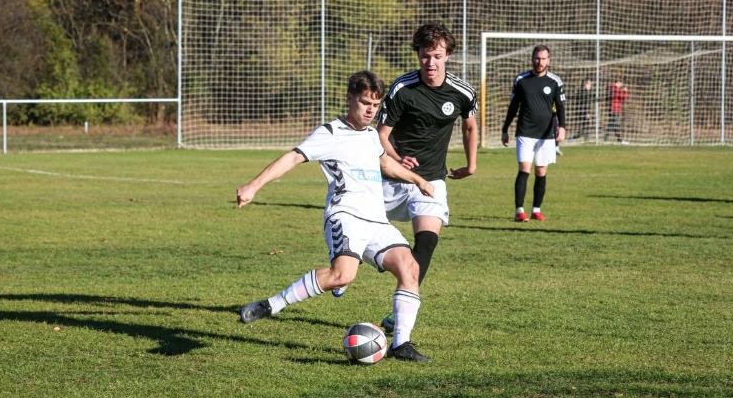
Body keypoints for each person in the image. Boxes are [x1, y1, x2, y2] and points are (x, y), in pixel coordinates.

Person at [237, 70, 435, 363]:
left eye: (375, 105)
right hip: (345, 216)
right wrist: (254, 185)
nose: (370, 110)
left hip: (377, 221)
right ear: (349, 99)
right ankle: (271, 305)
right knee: (342, 275)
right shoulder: (329, 133)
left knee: (410, 269)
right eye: (365, 102)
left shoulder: (370, 135)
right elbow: (292, 157)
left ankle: (401, 344)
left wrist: (416, 179)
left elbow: (384, 164)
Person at [360, 22, 477, 332]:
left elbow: (470, 126)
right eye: (425, 56)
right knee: (357, 229)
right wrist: (398, 158)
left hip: (432, 182)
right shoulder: (403, 88)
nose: (430, 63)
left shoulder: (463, 92)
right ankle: (344, 268)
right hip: (395, 179)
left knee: (425, 244)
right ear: (418, 56)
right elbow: (381, 135)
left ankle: (398, 312)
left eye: (437, 56)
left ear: (448, 55)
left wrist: (471, 164)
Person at [501, 44, 566, 222]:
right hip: (525, 131)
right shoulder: (521, 80)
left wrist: (562, 127)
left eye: (543, 58)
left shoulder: (555, 81)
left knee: (541, 171)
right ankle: (519, 211)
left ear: (549, 60)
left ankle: (536, 210)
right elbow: (513, 107)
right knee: (524, 169)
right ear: (532, 59)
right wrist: (505, 128)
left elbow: (560, 107)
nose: (540, 62)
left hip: (546, 134)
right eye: (537, 58)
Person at [605, 79, 629, 144]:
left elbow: (624, 97)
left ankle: (606, 138)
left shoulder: (617, 90)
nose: (621, 85)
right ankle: (619, 139)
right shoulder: (613, 88)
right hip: (613, 109)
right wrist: (624, 91)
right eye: (621, 83)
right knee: (615, 124)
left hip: (616, 109)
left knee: (611, 124)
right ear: (618, 82)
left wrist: (625, 92)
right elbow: (620, 95)